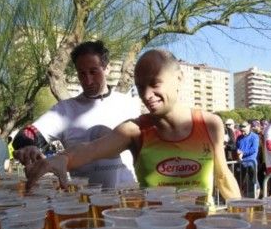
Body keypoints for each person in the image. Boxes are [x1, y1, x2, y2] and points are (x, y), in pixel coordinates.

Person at [16, 49, 241, 200]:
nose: (147, 95)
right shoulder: (135, 130)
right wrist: (60, 159)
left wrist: (241, 219)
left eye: (154, 84)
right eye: (140, 86)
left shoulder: (210, 124)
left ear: (179, 79)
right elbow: (91, 149)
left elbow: (222, 177)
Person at [13, 40, 140, 188]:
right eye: (82, 73)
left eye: (93, 71)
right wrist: (29, 147)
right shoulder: (65, 110)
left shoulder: (129, 104)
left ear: (107, 68)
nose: (88, 80)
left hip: (128, 199)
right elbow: (26, 135)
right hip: (85, 200)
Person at [235, 121, 259, 197]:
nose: (242, 133)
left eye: (244, 131)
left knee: (254, 182)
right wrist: (237, 152)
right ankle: (239, 199)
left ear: (249, 127)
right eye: (241, 131)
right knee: (238, 182)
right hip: (240, 163)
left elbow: (254, 149)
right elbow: (237, 147)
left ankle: (257, 200)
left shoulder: (254, 137)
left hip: (251, 163)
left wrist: (242, 153)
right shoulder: (239, 137)